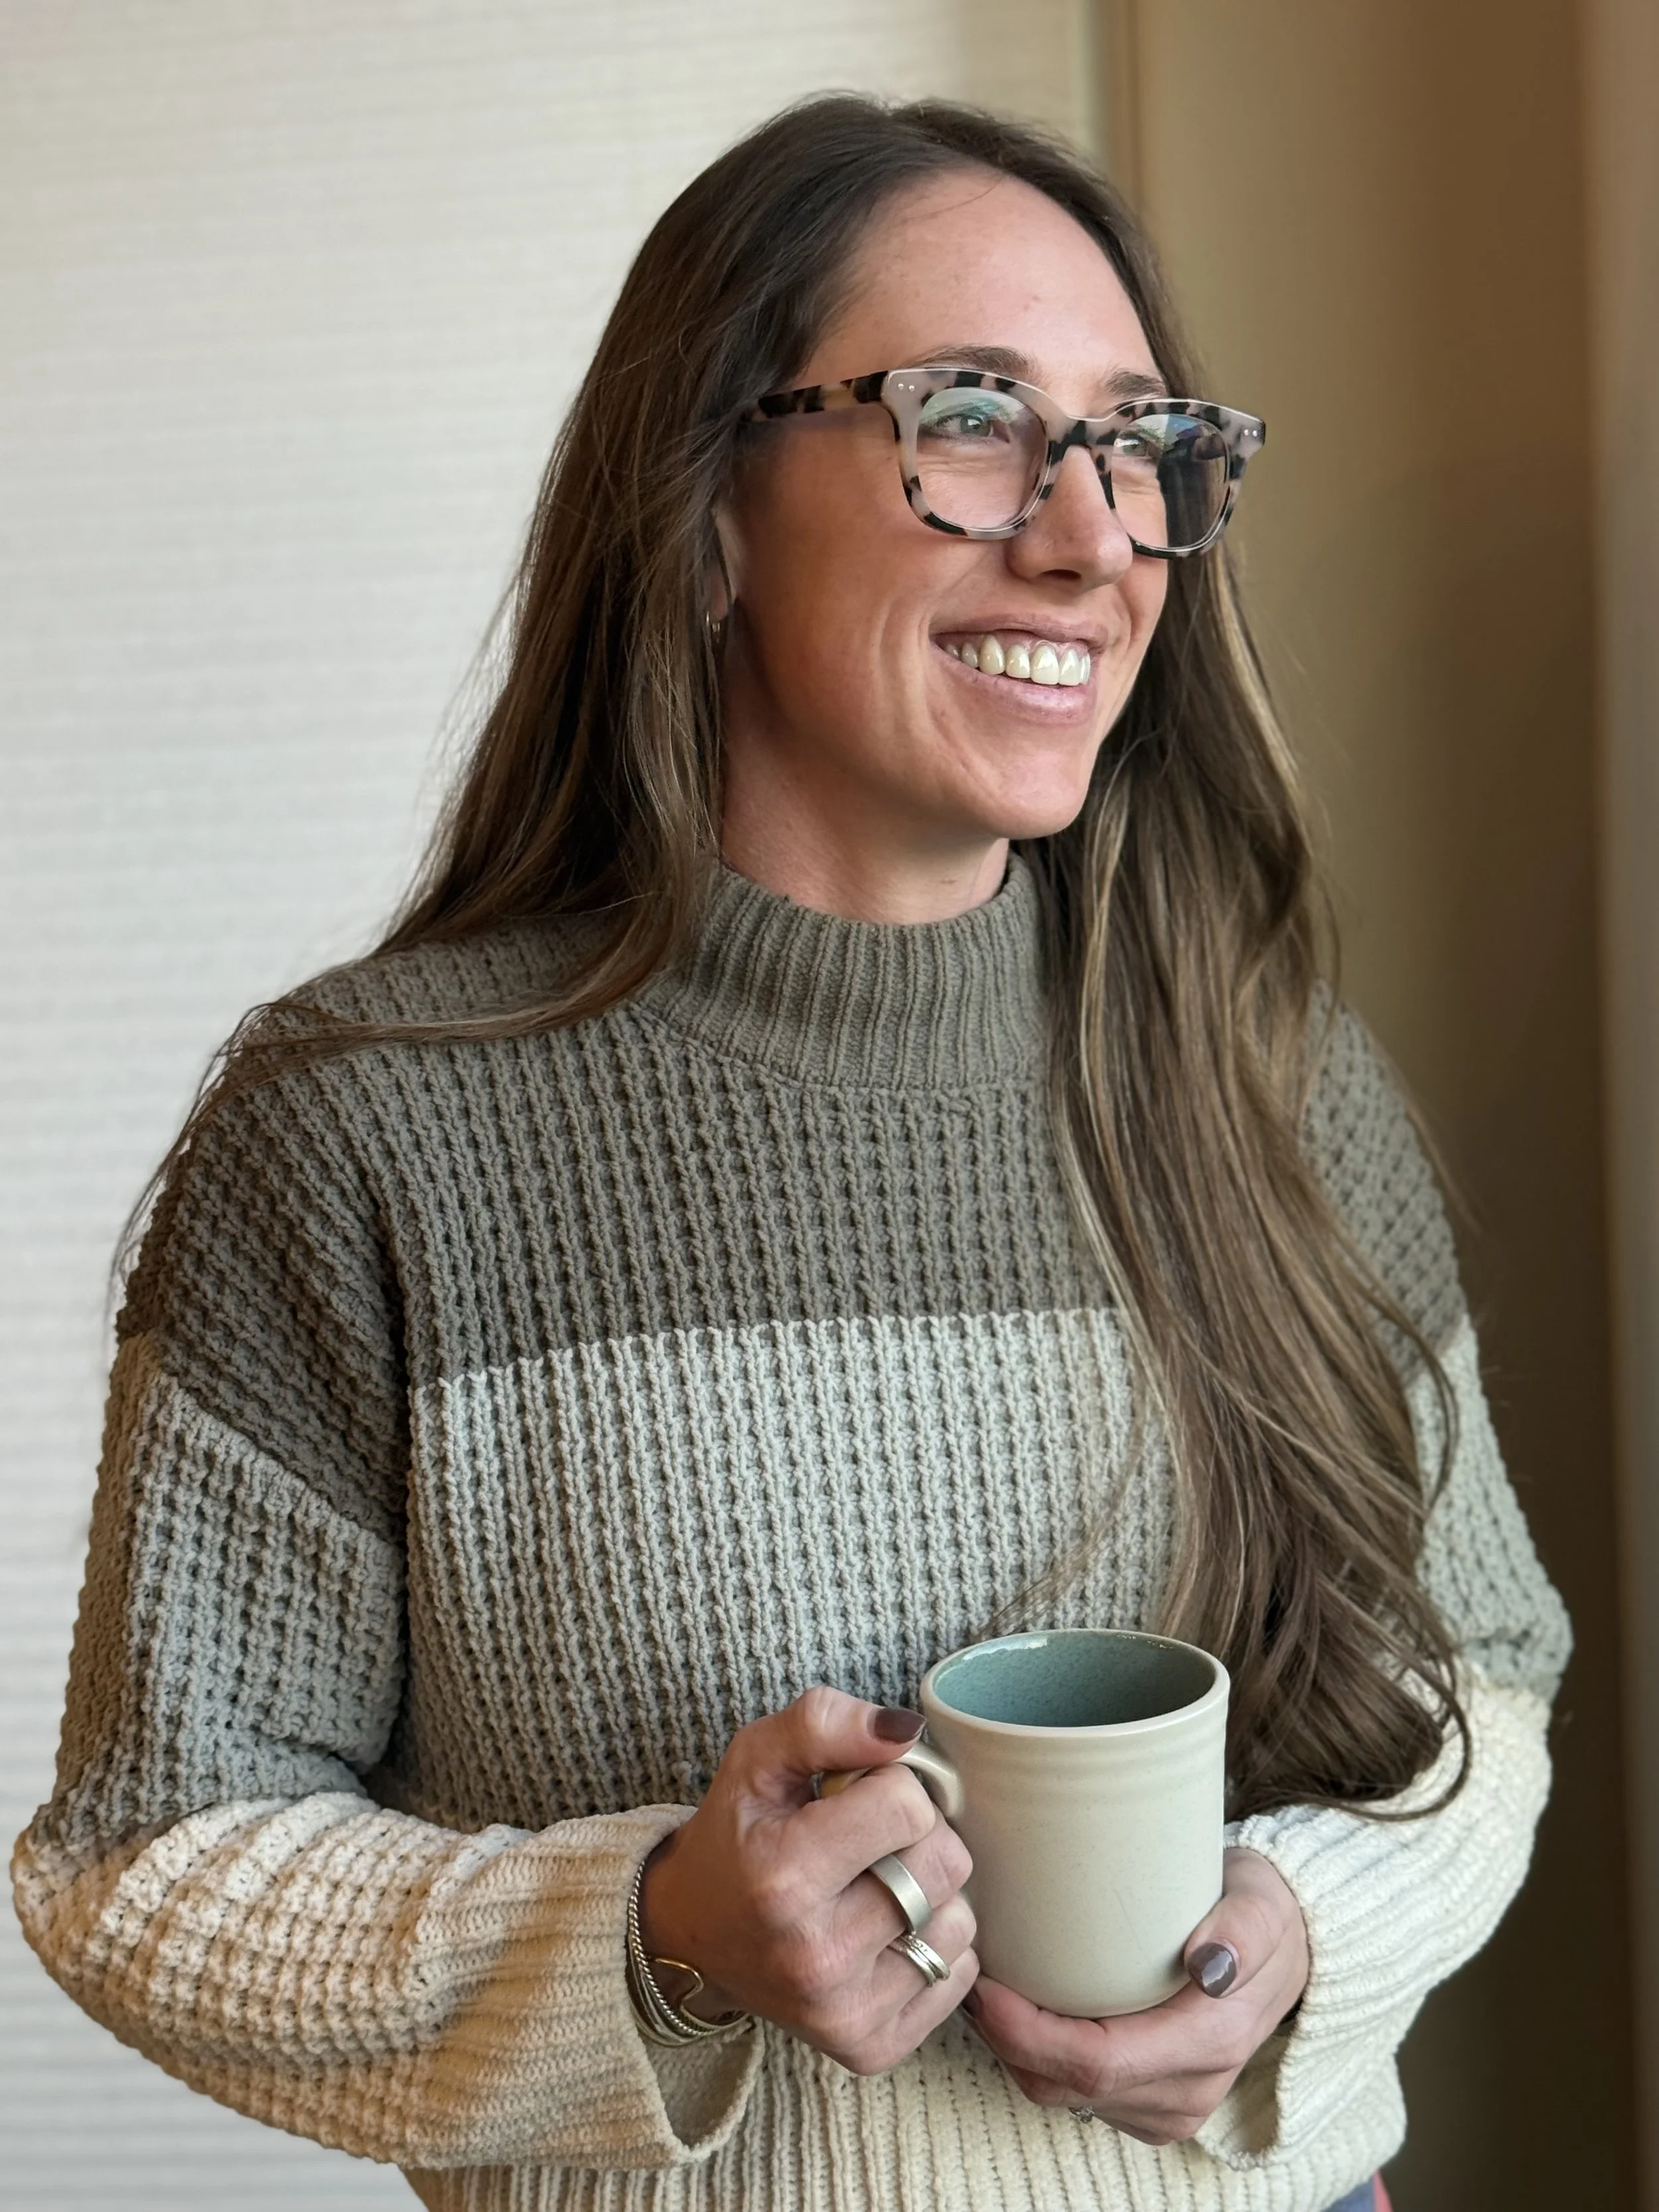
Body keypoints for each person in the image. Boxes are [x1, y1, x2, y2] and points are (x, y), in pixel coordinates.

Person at [11, 94, 1568, 2212]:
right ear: (707, 506)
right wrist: (655, 1931)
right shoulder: (361, 1136)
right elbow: (149, 1862)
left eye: (1140, 446)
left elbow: (1478, 1681)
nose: (1095, 538)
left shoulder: (1270, 1081)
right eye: (974, 420)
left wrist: (1295, 1931)